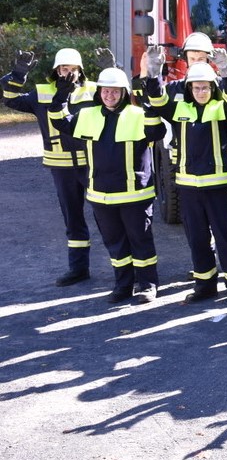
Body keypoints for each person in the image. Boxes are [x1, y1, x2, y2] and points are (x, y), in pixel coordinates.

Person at [144, 50, 227, 306]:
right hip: (189, 188)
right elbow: (157, 100)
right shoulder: (179, 108)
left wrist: (225, 70)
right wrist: (153, 73)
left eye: (205, 87)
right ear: (189, 88)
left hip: (219, 187)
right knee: (197, 239)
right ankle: (205, 286)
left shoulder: (222, 108)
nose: (201, 91)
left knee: (226, 238)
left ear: (212, 88)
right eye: (196, 87)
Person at [49, 66, 166, 304]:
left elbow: (157, 131)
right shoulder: (88, 115)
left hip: (134, 195)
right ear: (99, 92)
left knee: (141, 242)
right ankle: (123, 285)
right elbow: (59, 120)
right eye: (105, 91)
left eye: (115, 92)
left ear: (124, 93)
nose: (110, 96)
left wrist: (149, 101)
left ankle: (147, 285)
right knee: (115, 245)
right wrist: (61, 96)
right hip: (102, 196)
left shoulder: (137, 114)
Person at [2, 47, 99, 285]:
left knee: (108, 219)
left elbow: (120, 99)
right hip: (61, 167)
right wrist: (17, 75)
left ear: (80, 71)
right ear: (56, 70)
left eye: (73, 69)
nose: (68, 72)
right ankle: (78, 269)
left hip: (93, 163)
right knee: (72, 219)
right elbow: (10, 99)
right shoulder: (42, 93)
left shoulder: (94, 90)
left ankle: (124, 271)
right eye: (64, 68)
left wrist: (112, 70)